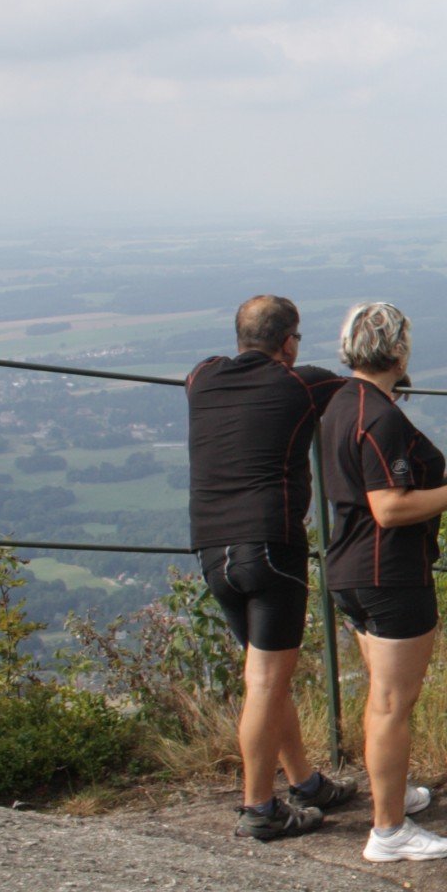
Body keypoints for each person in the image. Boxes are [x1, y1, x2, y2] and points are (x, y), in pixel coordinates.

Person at [320, 301, 447, 863]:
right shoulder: (379, 416)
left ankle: (393, 793)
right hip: (389, 575)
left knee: (381, 695)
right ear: (398, 351)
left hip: (350, 569)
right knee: (393, 703)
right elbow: (391, 508)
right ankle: (389, 831)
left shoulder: (340, 403)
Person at [186, 294, 354, 841]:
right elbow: (368, 389)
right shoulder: (301, 383)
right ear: (288, 342)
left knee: (265, 679)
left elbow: (205, 371)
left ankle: (305, 784)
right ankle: (259, 808)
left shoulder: (202, 378)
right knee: (265, 682)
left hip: (213, 551)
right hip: (270, 547)